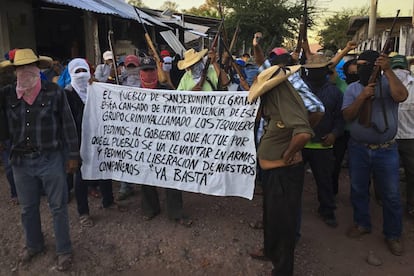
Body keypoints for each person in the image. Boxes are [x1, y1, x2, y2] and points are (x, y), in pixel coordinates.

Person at [0, 48, 78, 271]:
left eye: (29, 67)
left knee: (58, 207)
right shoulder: (7, 95)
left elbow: (68, 125)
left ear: (37, 68)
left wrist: (73, 155)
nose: (25, 72)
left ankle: (64, 250)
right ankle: (34, 244)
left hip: (50, 158)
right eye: (19, 68)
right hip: (20, 162)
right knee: (27, 208)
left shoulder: (54, 92)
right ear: (14, 72)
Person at [248, 64, 314, 276]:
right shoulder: (275, 98)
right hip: (273, 172)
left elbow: (304, 133)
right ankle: (270, 250)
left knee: (284, 222)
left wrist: (288, 153)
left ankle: (283, 270)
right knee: (272, 216)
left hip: (283, 173)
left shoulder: (284, 98)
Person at [342, 50, 408, 256]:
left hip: (386, 149)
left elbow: (402, 95)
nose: (360, 68)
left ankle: (393, 234)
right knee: (358, 189)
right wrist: (362, 97)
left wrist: (388, 70)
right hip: (359, 148)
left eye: (365, 64)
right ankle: (362, 223)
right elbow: (347, 116)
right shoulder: (353, 88)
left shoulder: (389, 83)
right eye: (358, 64)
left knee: (392, 195)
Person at [138, 56, 192, 226]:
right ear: (140, 73)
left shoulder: (166, 90)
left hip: (167, 141)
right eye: (145, 70)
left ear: (156, 71)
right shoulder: (131, 93)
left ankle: (175, 212)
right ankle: (150, 209)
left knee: (171, 175)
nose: (148, 73)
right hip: (144, 140)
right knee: (145, 175)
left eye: (151, 70)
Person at [302, 54, 345, 228]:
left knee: (324, 180)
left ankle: (327, 210)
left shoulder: (335, 91)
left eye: (318, 70)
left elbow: (340, 118)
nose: (314, 73)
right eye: (311, 70)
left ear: (325, 71)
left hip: (323, 144)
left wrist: (334, 134)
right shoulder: (300, 90)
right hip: (300, 143)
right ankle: (290, 208)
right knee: (294, 179)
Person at [391, 54, 414, 217]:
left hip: (409, 137)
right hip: (391, 137)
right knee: (386, 173)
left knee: (411, 173)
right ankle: (385, 200)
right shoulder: (385, 84)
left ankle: (411, 204)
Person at [0, 59, 18, 204]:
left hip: (19, 131)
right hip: (5, 135)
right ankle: (15, 192)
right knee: (9, 166)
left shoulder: (14, 88)